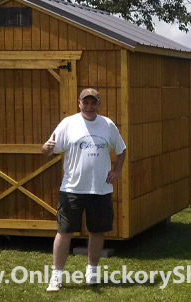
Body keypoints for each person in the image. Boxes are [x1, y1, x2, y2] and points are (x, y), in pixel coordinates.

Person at [41, 88, 126, 292]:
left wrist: (117, 170)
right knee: (64, 232)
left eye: (93, 103)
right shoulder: (68, 123)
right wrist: (47, 148)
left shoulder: (108, 124)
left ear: (99, 104)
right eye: (85, 103)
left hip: (101, 189)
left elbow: (121, 150)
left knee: (97, 231)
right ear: (79, 103)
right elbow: (47, 150)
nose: (89, 107)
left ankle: (92, 272)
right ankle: (57, 277)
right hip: (72, 188)